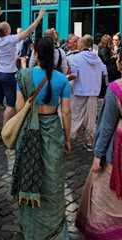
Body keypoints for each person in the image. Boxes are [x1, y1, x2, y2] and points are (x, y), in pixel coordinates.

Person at [11, 37, 71, 240]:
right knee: (53, 179)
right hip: (52, 128)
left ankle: (30, 227)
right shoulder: (62, 79)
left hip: (29, 131)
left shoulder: (23, 75)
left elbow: (19, 108)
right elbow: (67, 112)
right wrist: (68, 138)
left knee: (28, 175)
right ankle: (53, 229)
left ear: (35, 51)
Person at [76, 52, 122, 240]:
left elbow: (106, 126)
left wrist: (98, 155)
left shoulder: (116, 88)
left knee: (105, 191)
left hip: (117, 152)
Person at [0, 7, 46, 139]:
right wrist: (39, 17)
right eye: (9, 28)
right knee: (10, 104)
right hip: (9, 74)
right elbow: (28, 31)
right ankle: (5, 130)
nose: (10, 29)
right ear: (7, 31)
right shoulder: (10, 39)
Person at [68, 34, 107, 152]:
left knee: (75, 117)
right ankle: (89, 142)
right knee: (91, 119)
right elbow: (105, 72)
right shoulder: (97, 57)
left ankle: (69, 139)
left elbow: (74, 75)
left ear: (82, 44)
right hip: (94, 91)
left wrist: (64, 80)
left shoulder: (75, 58)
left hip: (79, 91)